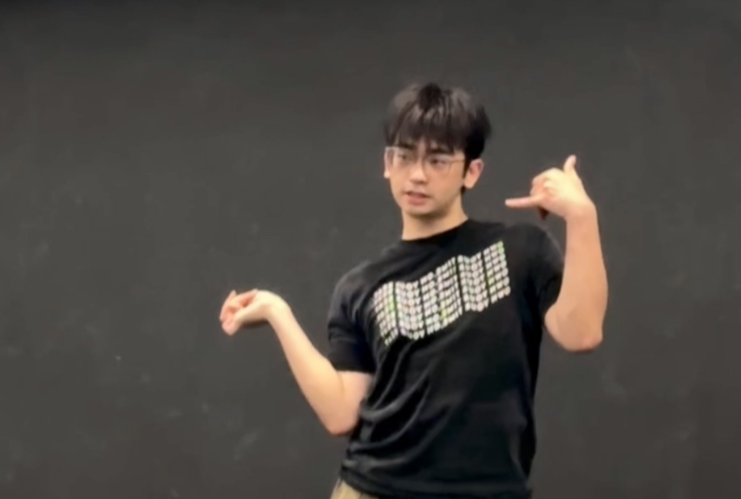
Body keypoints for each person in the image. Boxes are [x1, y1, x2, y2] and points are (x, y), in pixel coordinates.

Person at [219, 82, 609, 499]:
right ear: (387, 164)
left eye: (437, 160)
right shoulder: (359, 287)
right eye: (404, 156)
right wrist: (277, 312)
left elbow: (581, 332)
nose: (417, 174)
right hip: (373, 489)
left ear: (472, 172)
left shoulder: (520, 250)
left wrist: (581, 217)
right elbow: (340, 414)